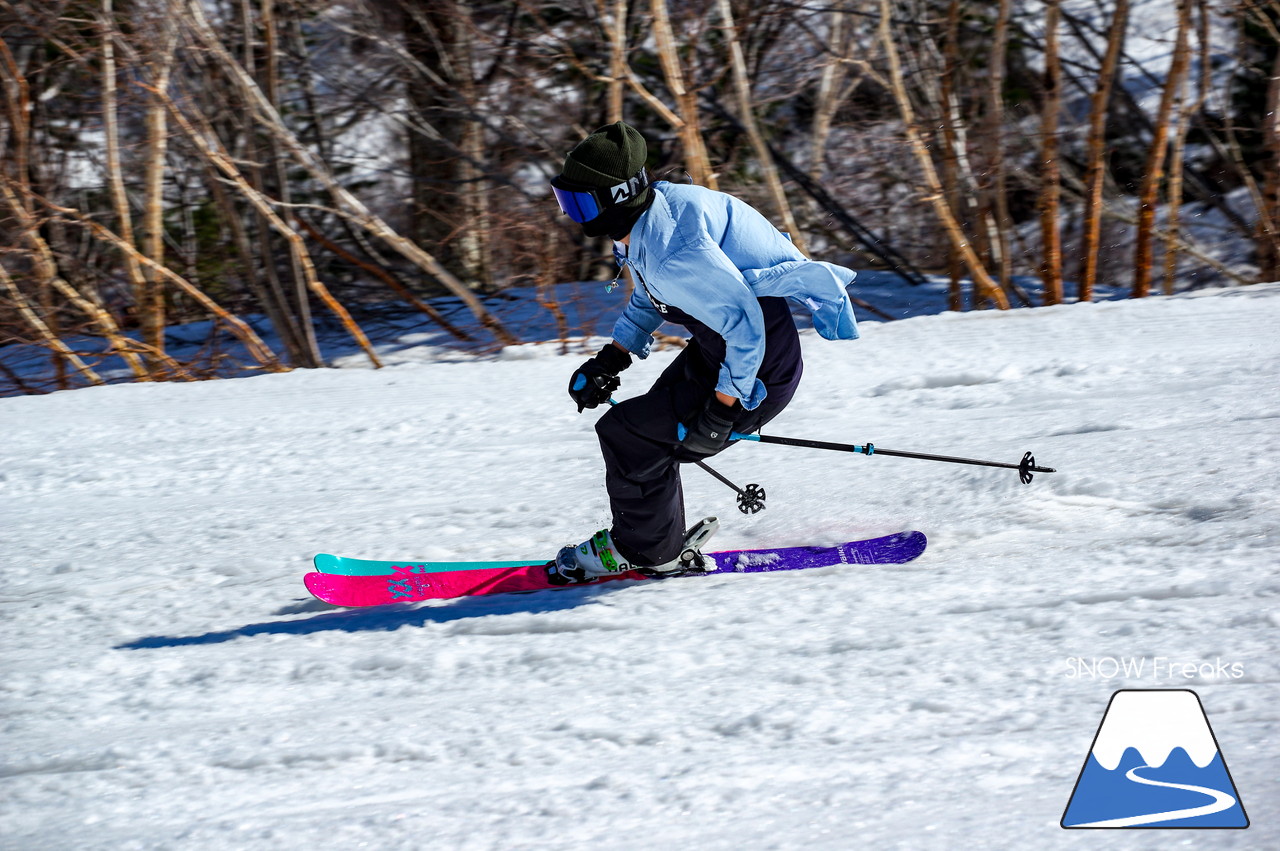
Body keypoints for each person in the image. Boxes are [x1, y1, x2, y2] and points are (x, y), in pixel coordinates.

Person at [547, 121, 860, 584]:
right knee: (648, 431)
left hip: (756, 368)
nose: (572, 215)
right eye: (564, 201)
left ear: (616, 198)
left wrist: (720, 412)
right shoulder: (647, 221)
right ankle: (659, 540)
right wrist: (612, 358)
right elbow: (651, 292)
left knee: (628, 433)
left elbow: (747, 326)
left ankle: (645, 549)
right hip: (721, 350)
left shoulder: (677, 249)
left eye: (579, 203)